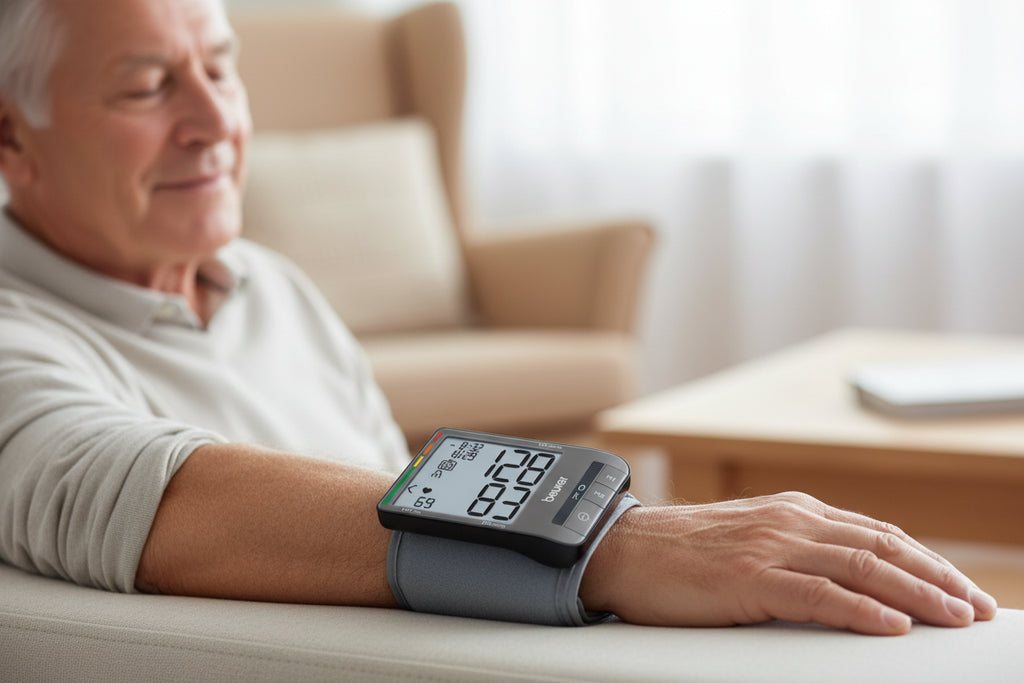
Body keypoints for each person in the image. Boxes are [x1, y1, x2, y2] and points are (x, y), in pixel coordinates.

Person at [0, 0, 997, 637]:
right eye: (145, 86)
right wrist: (603, 538)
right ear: (12, 137)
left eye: (220, 68)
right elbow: (130, 491)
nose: (215, 122)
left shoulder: (266, 280)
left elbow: (379, 470)